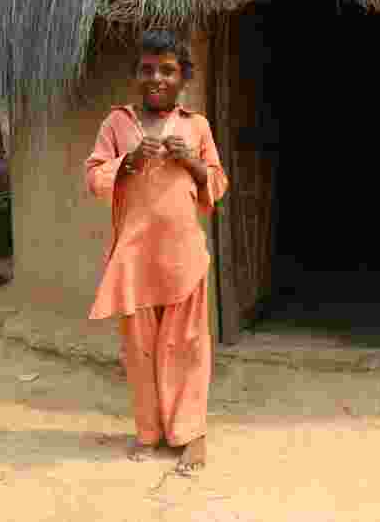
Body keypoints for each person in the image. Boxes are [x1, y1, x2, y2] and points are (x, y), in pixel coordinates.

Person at [84, 29, 228, 473]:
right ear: (136, 76)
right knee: (141, 350)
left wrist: (193, 162)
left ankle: (190, 436)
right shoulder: (116, 124)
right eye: (147, 70)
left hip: (183, 257)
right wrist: (127, 161)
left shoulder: (196, 125)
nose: (156, 78)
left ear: (183, 77)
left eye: (167, 70)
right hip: (134, 259)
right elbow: (94, 177)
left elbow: (217, 185)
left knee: (187, 347)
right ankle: (150, 433)